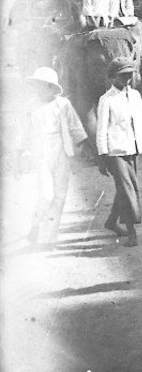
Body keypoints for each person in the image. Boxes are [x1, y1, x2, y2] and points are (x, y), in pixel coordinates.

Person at [22, 66, 85, 249]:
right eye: (36, 85)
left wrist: (78, 150)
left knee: (59, 195)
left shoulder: (63, 104)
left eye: (42, 85)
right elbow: (25, 134)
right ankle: (35, 224)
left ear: (51, 87)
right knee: (46, 193)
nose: (39, 89)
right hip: (40, 150)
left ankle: (49, 238)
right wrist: (21, 155)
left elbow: (76, 128)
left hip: (61, 148)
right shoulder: (30, 107)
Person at [95, 58, 142, 247]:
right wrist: (102, 156)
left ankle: (111, 221)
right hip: (114, 151)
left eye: (129, 75)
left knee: (125, 188)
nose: (127, 79)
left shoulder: (135, 95)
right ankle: (132, 231)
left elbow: (141, 121)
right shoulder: (106, 99)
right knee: (127, 190)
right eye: (122, 75)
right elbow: (101, 129)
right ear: (112, 78)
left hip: (132, 149)